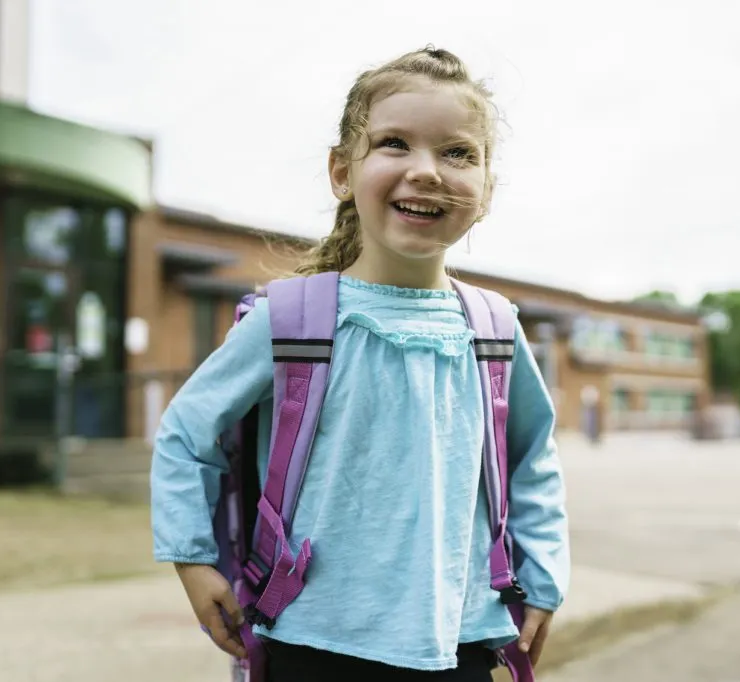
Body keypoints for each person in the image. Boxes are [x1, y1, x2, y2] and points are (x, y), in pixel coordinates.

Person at [150, 46, 570, 682]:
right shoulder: (288, 319)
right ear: (341, 171)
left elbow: (532, 457)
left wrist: (542, 578)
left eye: (458, 153)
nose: (426, 171)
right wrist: (192, 560)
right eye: (395, 143)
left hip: (461, 637)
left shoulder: (495, 327)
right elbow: (185, 435)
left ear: (486, 190)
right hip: (310, 637)